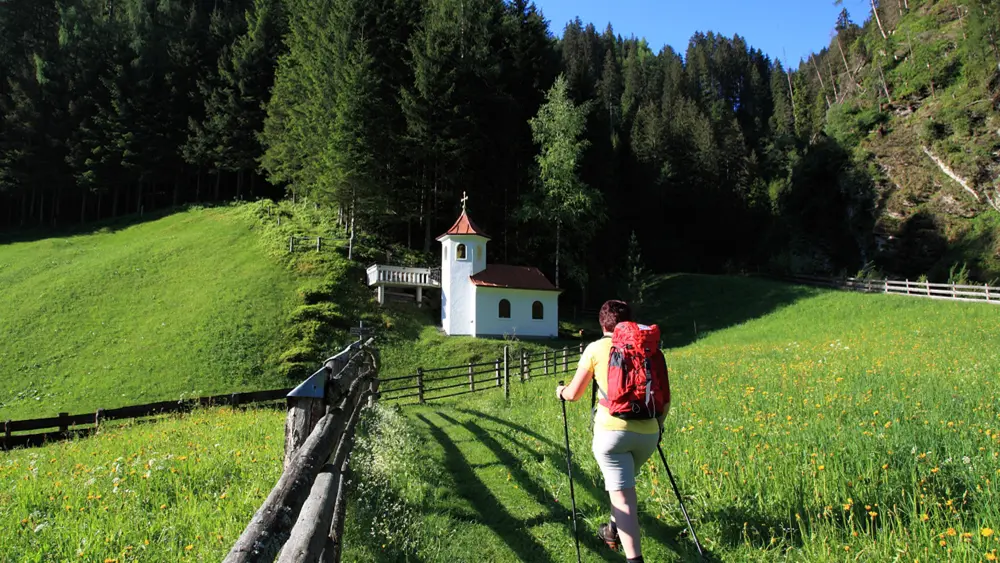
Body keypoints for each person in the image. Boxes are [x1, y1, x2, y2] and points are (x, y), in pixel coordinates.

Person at [556, 299, 665, 563]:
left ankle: (634, 559)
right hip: (649, 434)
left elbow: (574, 394)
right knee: (623, 488)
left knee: (624, 497)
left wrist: (560, 391)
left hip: (612, 434)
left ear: (602, 322)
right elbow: (665, 397)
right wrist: (658, 429)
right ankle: (611, 531)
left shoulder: (595, 348)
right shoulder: (648, 348)